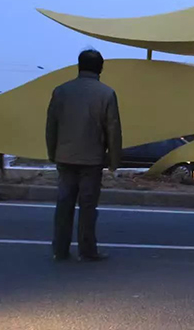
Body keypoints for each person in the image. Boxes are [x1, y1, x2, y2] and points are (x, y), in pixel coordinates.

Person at [46, 49, 122, 262]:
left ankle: (60, 249)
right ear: (100, 68)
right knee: (88, 207)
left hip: (64, 157)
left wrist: (53, 153)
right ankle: (87, 249)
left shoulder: (61, 91)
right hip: (92, 159)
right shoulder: (106, 94)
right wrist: (114, 160)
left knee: (64, 204)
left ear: (79, 66)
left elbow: (51, 126)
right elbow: (113, 129)